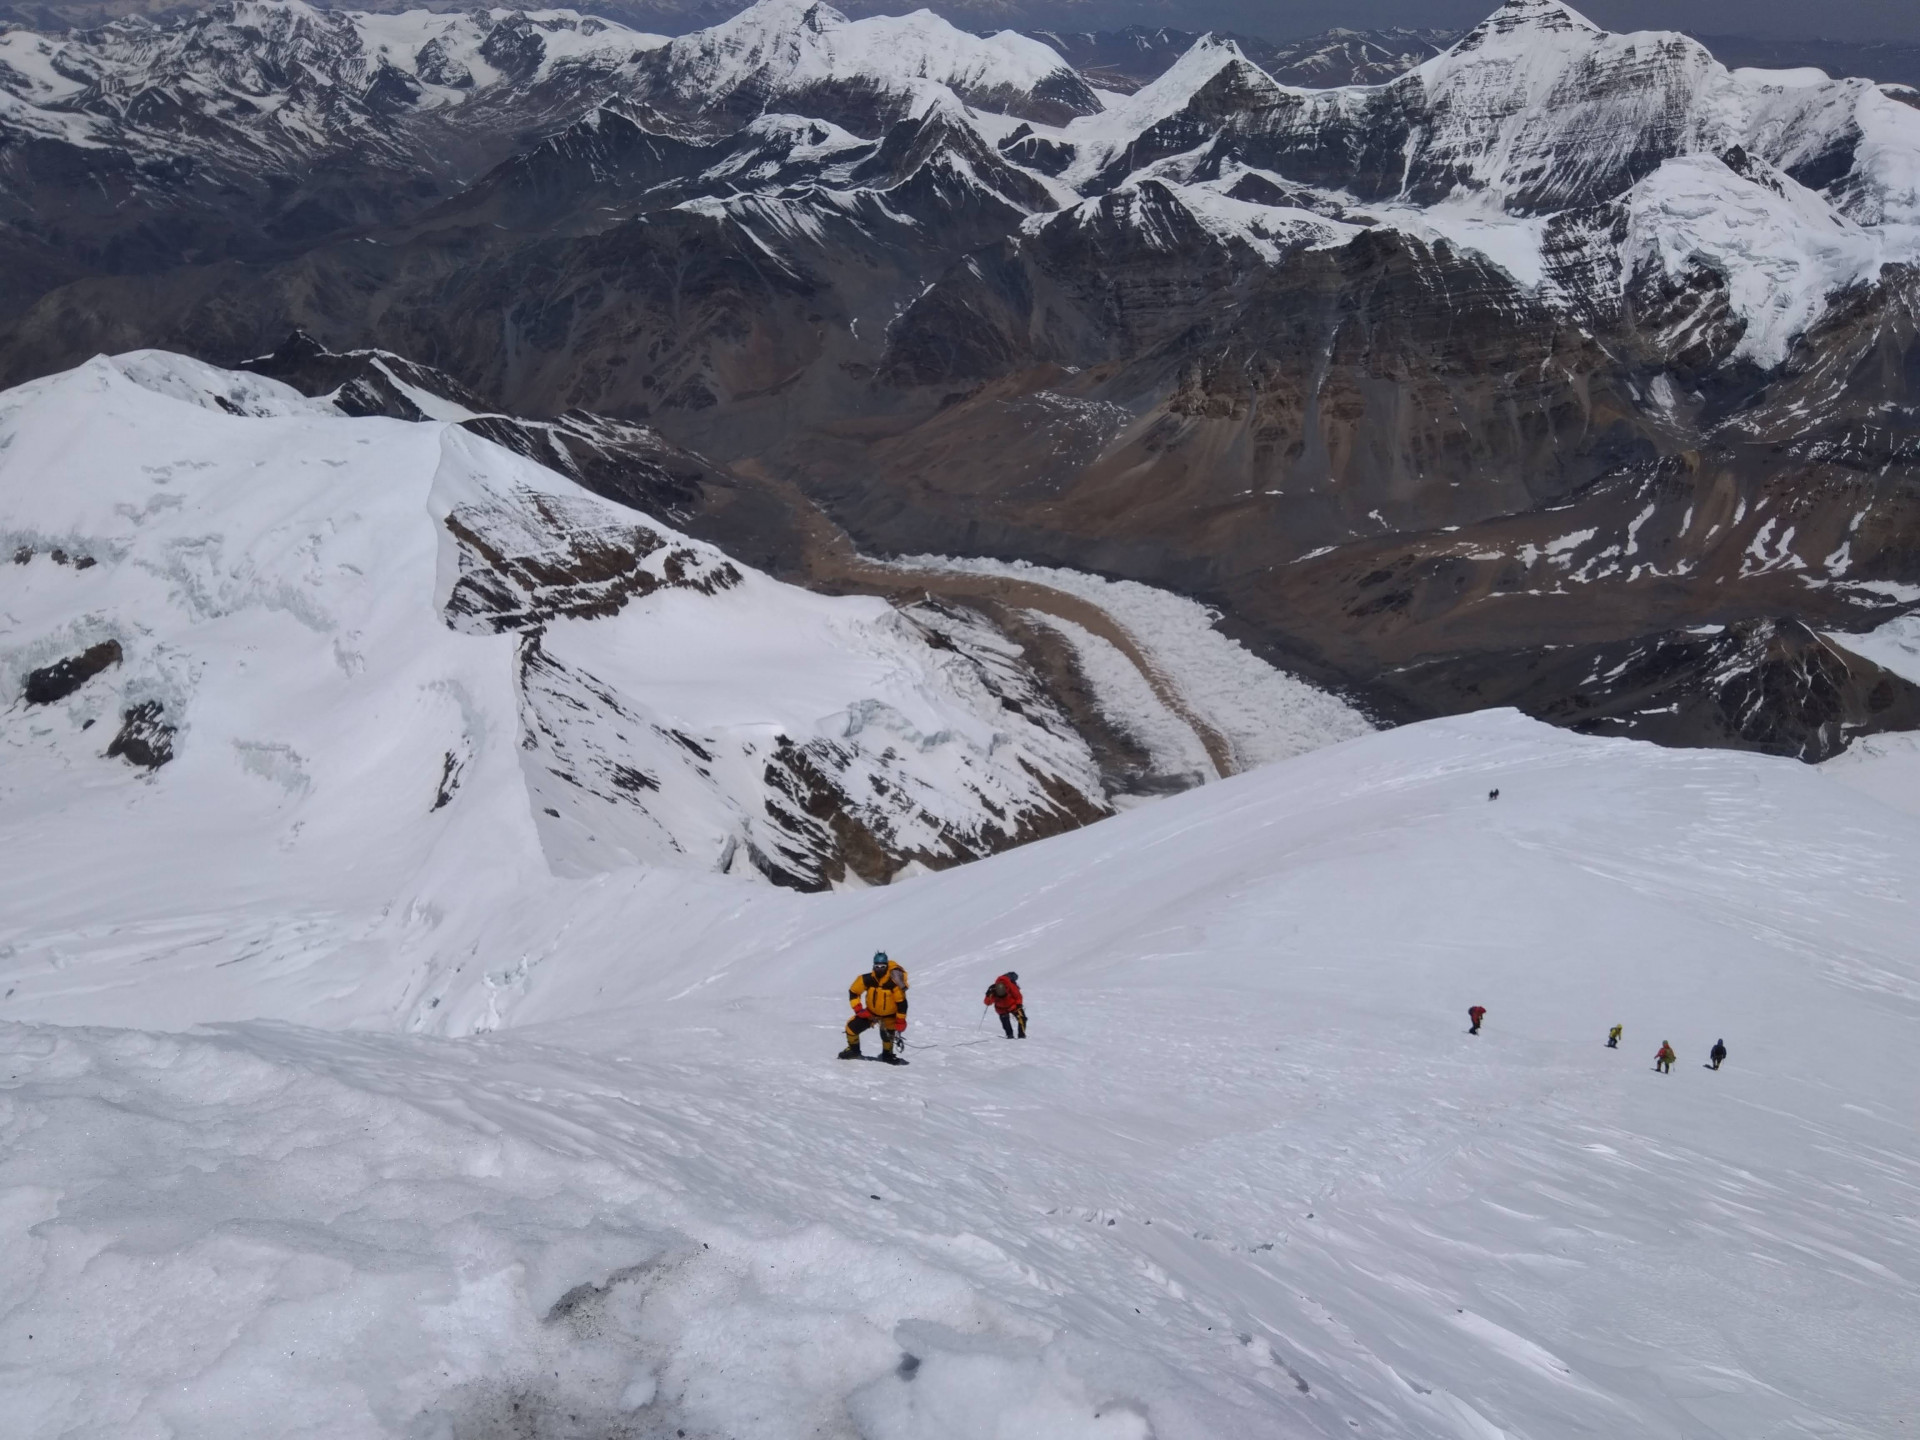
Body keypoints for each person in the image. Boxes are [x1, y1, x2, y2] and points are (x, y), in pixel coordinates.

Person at [840, 952, 909, 1064]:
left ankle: (888, 1055)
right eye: (877, 966)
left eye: (883, 966)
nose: (879, 969)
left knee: (887, 1037)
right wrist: (858, 1009)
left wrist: (900, 1020)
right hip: (871, 1014)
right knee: (851, 1028)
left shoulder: (893, 983)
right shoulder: (867, 979)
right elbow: (854, 991)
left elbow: (902, 1003)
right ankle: (854, 1051)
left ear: (886, 966)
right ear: (873, 966)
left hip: (889, 1016)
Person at [984, 971, 1026, 1039]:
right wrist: (988, 995)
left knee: (1020, 1018)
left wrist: (1019, 1005)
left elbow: (1018, 996)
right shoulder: (993, 990)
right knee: (1011, 1020)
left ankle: (1017, 1035)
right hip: (1005, 1007)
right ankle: (1014, 1035)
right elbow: (987, 1003)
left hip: (1009, 1006)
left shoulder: (1009, 986)